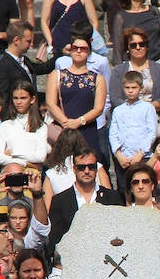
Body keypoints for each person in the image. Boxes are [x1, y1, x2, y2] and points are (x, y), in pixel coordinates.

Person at [44, 145, 126, 260]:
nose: (87, 171)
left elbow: (121, 232)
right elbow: (56, 240)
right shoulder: (60, 201)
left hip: (107, 261)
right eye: (82, 167)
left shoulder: (113, 198)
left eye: (91, 167)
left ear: (96, 168)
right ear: (74, 169)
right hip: (73, 262)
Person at [45, 33, 108, 161]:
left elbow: (98, 108)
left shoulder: (97, 78)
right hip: (63, 130)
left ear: (89, 52)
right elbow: (51, 103)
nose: (79, 51)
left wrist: (79, 122)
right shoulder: (57, 75)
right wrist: (67, 123)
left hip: (87, 129)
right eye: (75, 48)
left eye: (83, 48)